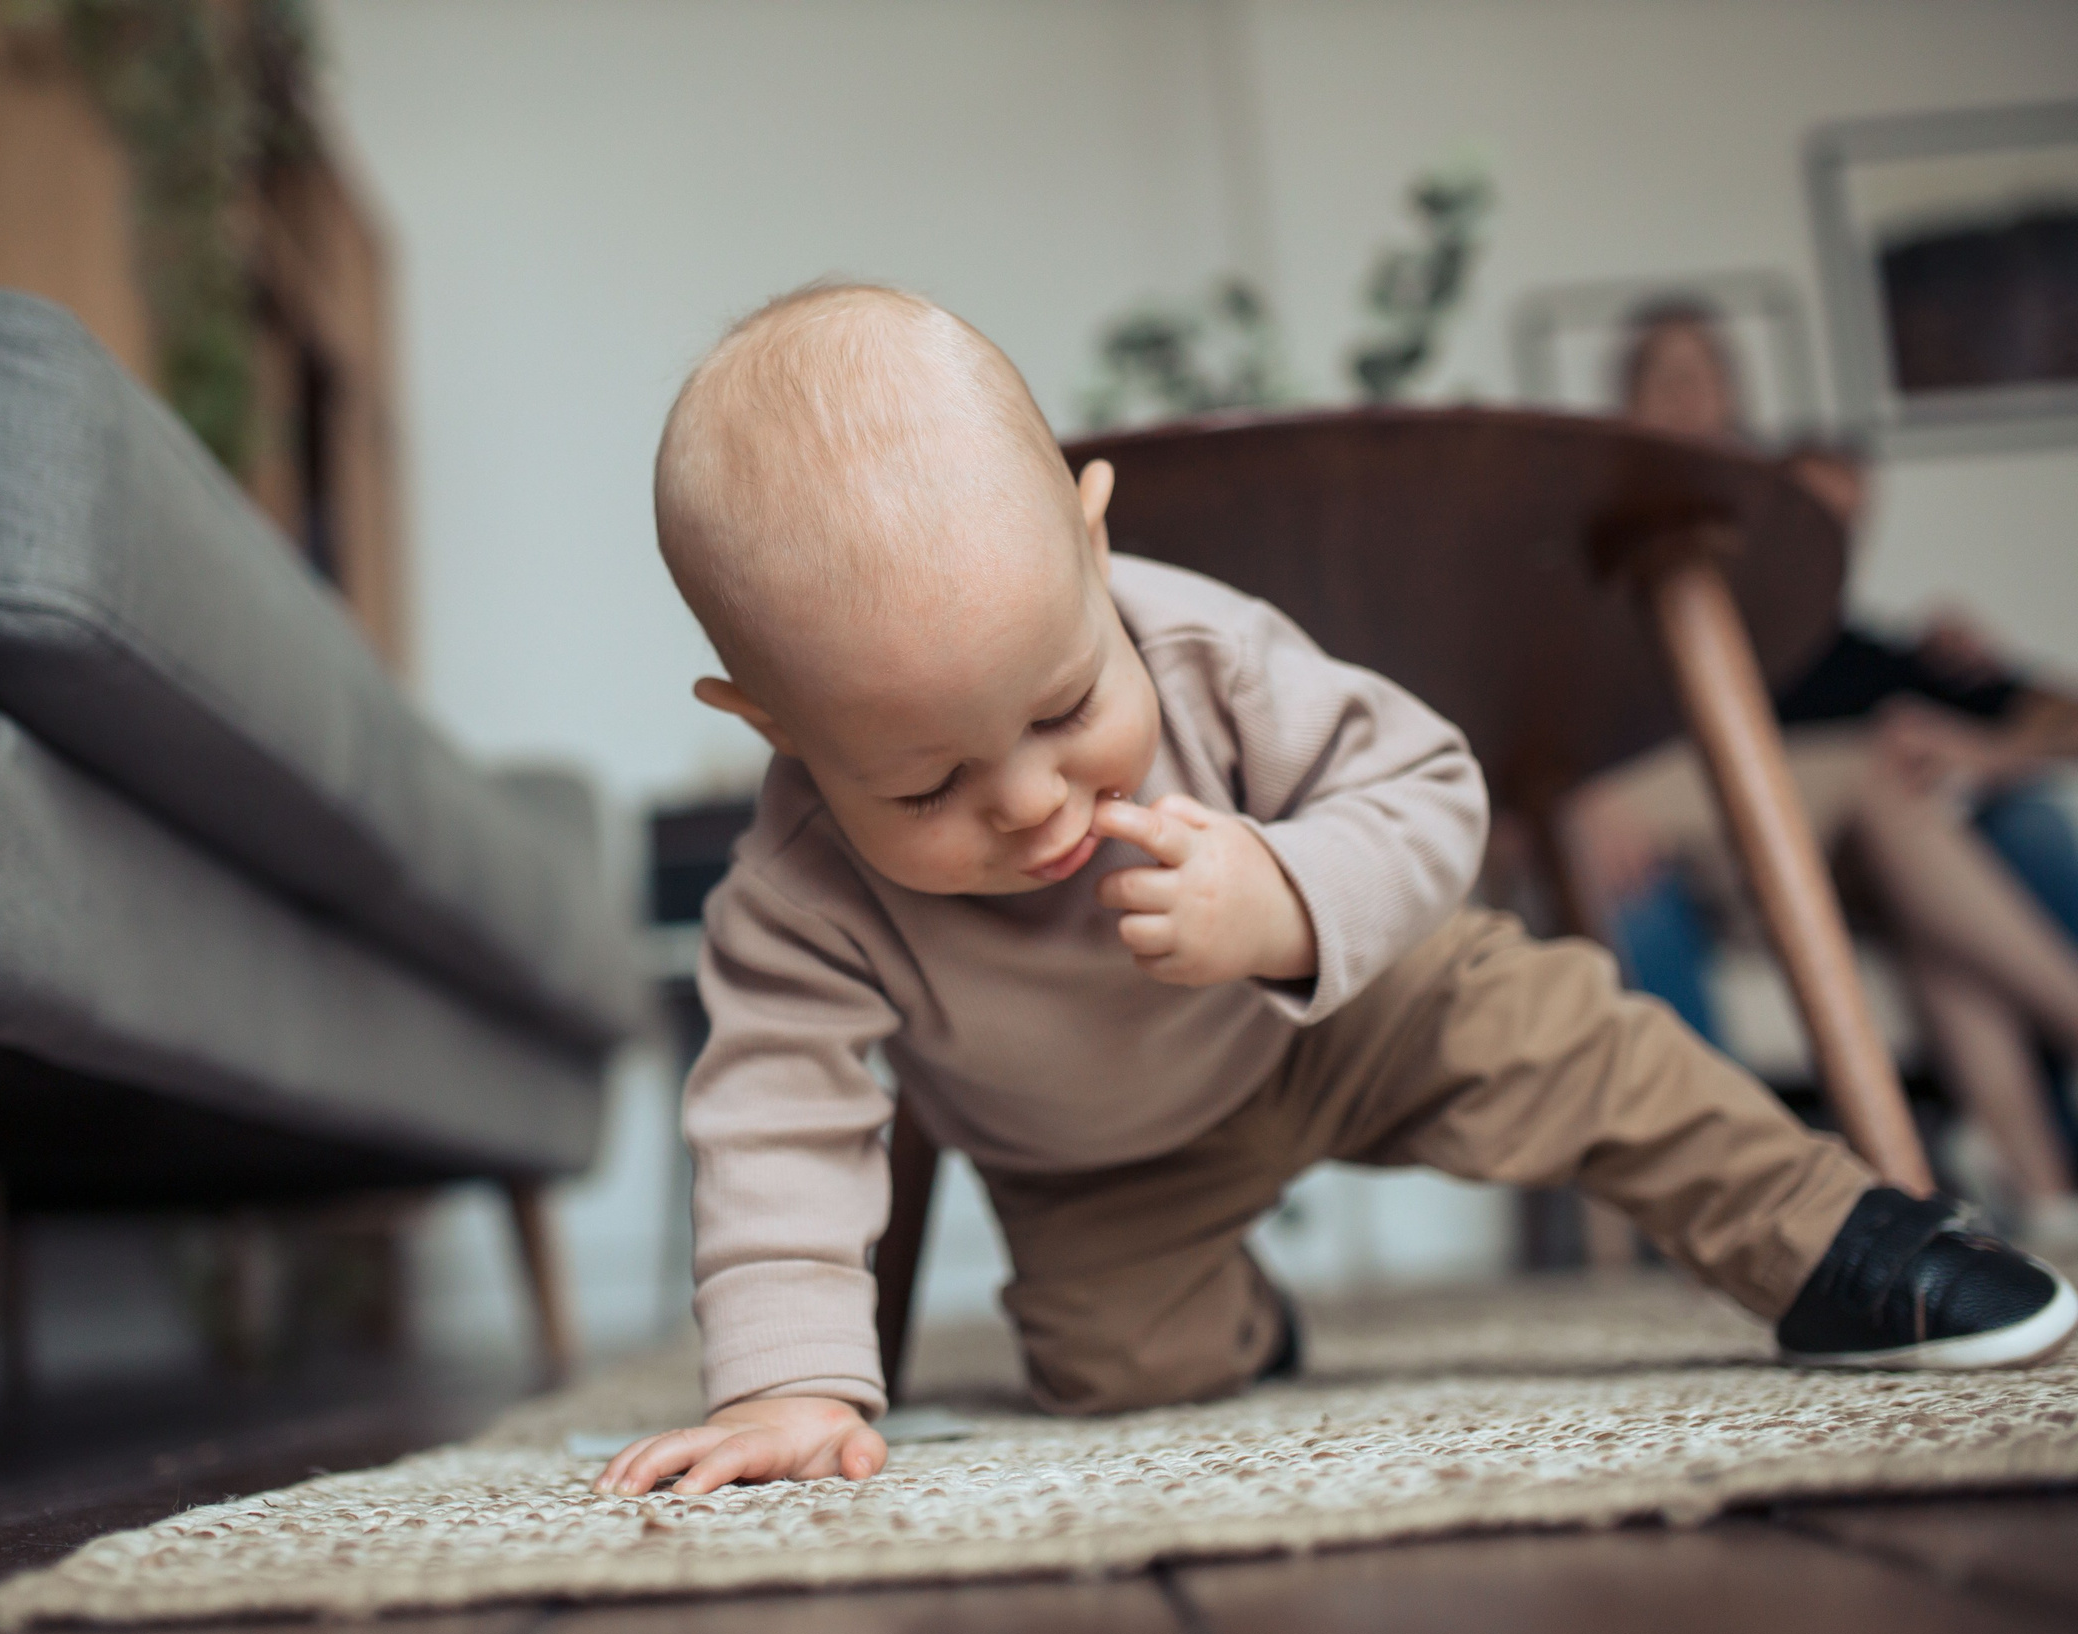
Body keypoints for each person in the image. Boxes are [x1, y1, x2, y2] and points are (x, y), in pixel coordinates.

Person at [593, 284, 2073, 1499]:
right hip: (1103, 1160)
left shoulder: (1204, 648)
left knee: (1590, 1052)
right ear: (777, 727)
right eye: (924, 786)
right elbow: (775, 1119)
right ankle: (1250, 1322)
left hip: (1369, 1005)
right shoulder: (795, 892)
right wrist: (786, 1386)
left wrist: (1286, 895)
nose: (1032, 799)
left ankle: (1833, 1238)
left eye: (1063, 706)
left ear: (1091, 539)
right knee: (1114, 1367)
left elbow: (1432, 786)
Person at [1576, 299, 2078, 1239]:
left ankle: (2045, 1196)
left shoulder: (1867, 651)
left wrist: (1986, 748)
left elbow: (2058, 714)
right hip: (1715, 870)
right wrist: (1586, 797)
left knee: (1937, 912)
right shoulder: (1608, 587)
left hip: (1857, 876)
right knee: (1878, 767)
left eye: (1705, 374)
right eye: (1664, 376)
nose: (1688, 395)